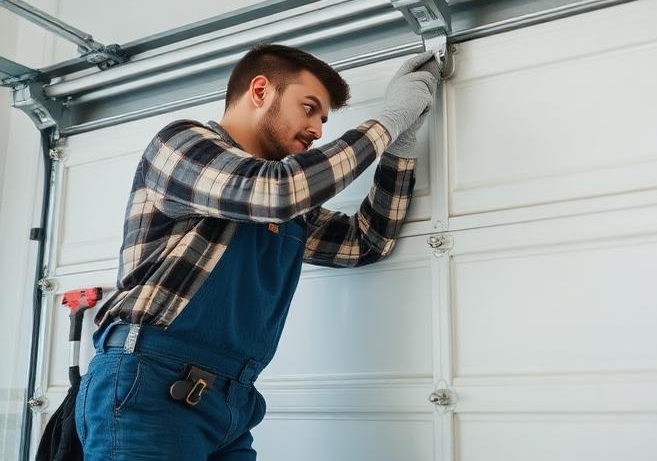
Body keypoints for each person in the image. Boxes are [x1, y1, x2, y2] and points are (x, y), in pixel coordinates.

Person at [75, 43, 440, 460]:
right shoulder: (180, 144)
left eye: (323, 119)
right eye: (309, 108)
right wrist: (389, 121)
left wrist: (403, 142)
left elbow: (366, 241)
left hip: (232, 398)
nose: (318, 129)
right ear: (261, 90)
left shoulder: (287, 207)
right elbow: (277, 190)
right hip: (149, 384)